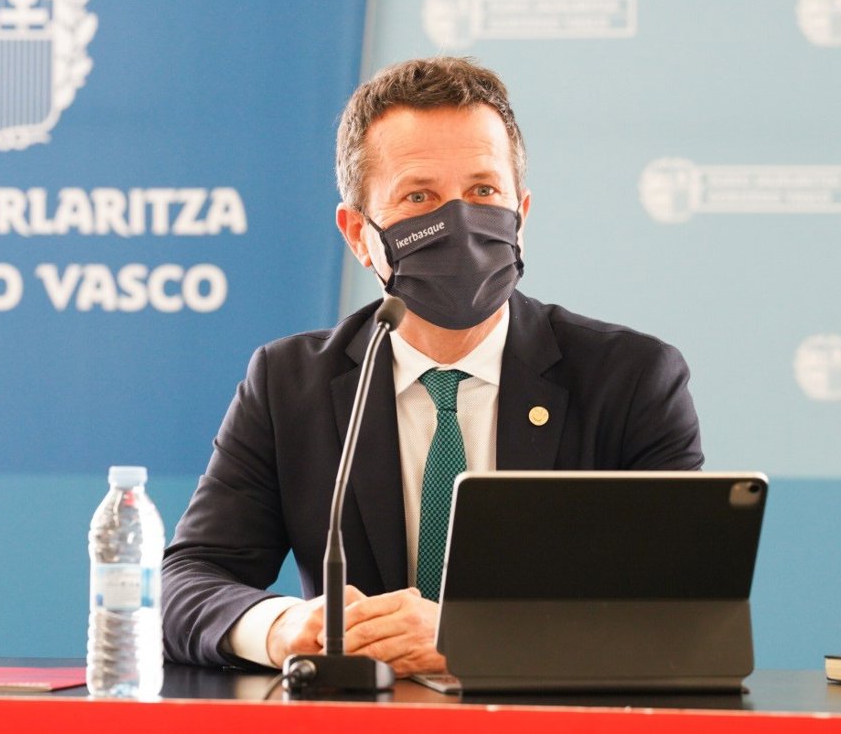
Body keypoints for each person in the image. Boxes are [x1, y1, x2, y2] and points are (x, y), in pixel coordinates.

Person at [161, 57, 703, 677]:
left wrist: (473, 639)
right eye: (419, 197)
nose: (460, 223)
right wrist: (283, 628)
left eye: (484, 192)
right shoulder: (289, 384)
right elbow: (187, 584)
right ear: (358, 234)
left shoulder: (631, 380)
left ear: (522, 215)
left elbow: (684, 613)